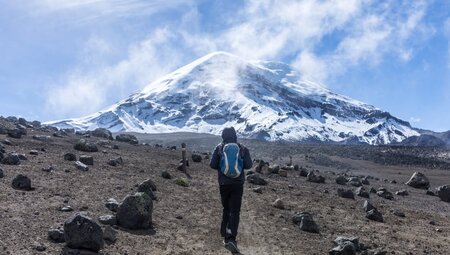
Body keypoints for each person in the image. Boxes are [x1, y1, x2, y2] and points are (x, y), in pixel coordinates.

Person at [209, 127, 252, 254]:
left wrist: (222, 166)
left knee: (226, 208)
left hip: (223, 183)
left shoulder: (219, 147)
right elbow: (249, 165)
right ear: (235, 136)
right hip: (238, 184)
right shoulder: (242, 148)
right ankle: (231, 238)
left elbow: (212, 165)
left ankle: (225, 232)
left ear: (223, 136)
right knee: (235, 210)